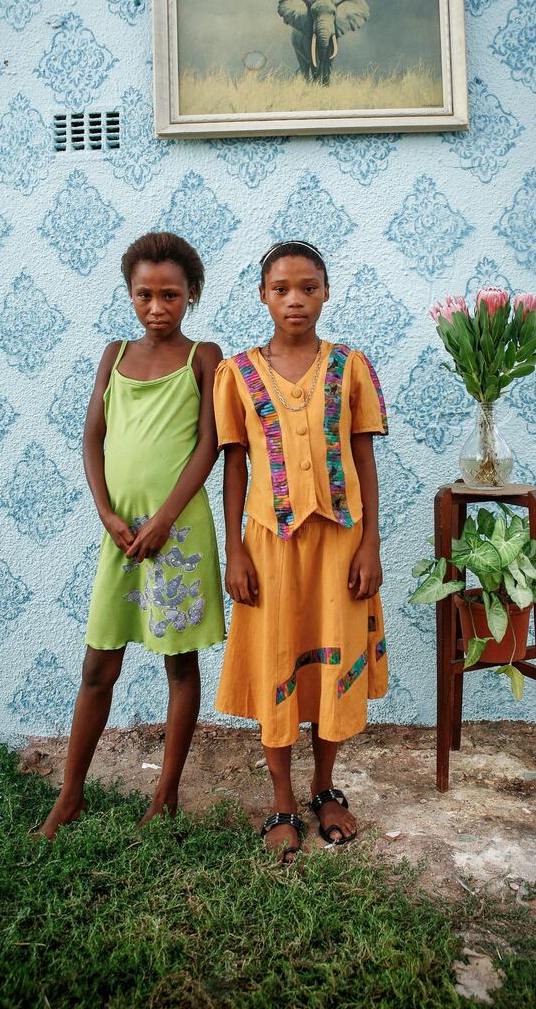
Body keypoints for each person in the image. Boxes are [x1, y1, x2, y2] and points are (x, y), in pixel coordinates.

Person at [38, 232, 225, 839]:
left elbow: (208, 445)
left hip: (178, 533)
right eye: (144, 294)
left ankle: (166, 792)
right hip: (119, 535)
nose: (156, 307)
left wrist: (167, 517)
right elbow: (92, 439)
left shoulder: (204, 357)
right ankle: (70, 795)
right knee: (98, 665)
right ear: (130, 293)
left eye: (169, 295)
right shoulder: (114, 355)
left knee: (178, 663)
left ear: (190, 295)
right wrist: (106, 514)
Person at [213, 239, 388, 862]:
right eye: (282, 288)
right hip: (270, 543)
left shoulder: (350, 366)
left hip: (340, 541)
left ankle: (324, 788)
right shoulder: (237, 373)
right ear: (263, 295)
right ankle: (282, 800)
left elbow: (363, 455)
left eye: (308, 287)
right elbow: (234, 463)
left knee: (330, 666)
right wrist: (233, 548)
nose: (295, 299)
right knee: (279, 660)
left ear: (326, 292)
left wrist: (370, 541)